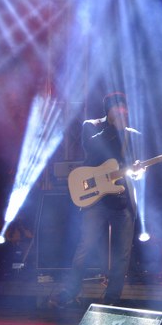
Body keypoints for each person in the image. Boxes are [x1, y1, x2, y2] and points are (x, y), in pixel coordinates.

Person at [53, 92, 138, 308]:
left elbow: (136, 166)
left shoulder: (132, 135)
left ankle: (111, 301)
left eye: (125, 108)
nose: (123, 112)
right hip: (97, 199)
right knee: (86, 246)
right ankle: (70, 291)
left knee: (121, 255)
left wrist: (138, 171)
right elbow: (92, 148)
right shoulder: (91, 126)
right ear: (109, 110)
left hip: (122, 200)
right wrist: (113, 128)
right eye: (118, 108)